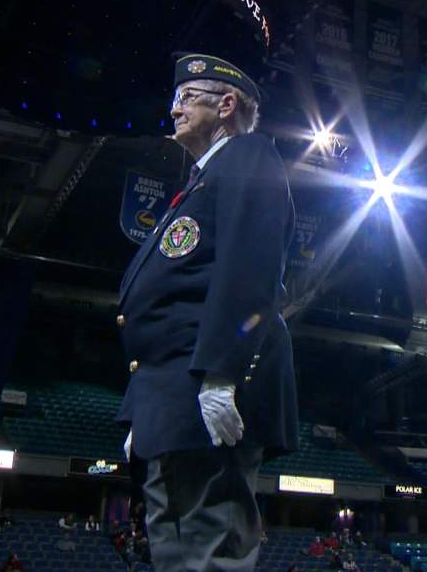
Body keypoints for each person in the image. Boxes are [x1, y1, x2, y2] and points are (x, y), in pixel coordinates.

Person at [116, 53, 299, 572]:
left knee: (210, 547)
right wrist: (144, 405)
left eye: (186, 98)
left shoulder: (247, 155)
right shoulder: (195, 184)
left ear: (226, 104)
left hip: (203, 387)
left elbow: (251, 266)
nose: (173, 110)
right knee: (175, 550)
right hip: (171, 396)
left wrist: (223, 374)